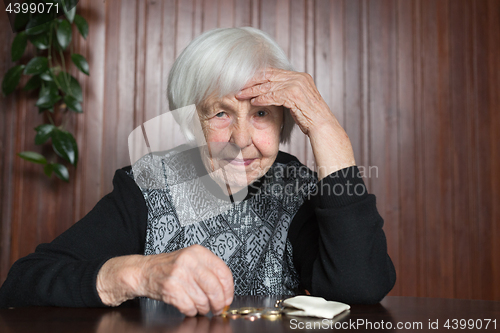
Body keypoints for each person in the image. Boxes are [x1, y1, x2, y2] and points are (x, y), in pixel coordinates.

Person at [0, 27, 396, 316]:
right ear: (193, 121)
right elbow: (22, 284)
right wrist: (137, 274)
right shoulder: (149, 184)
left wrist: (328, 130)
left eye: (261, 114)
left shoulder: (296, 188)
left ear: (284, 123)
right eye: (221, 113)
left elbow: (361, 289)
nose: (241, 139)